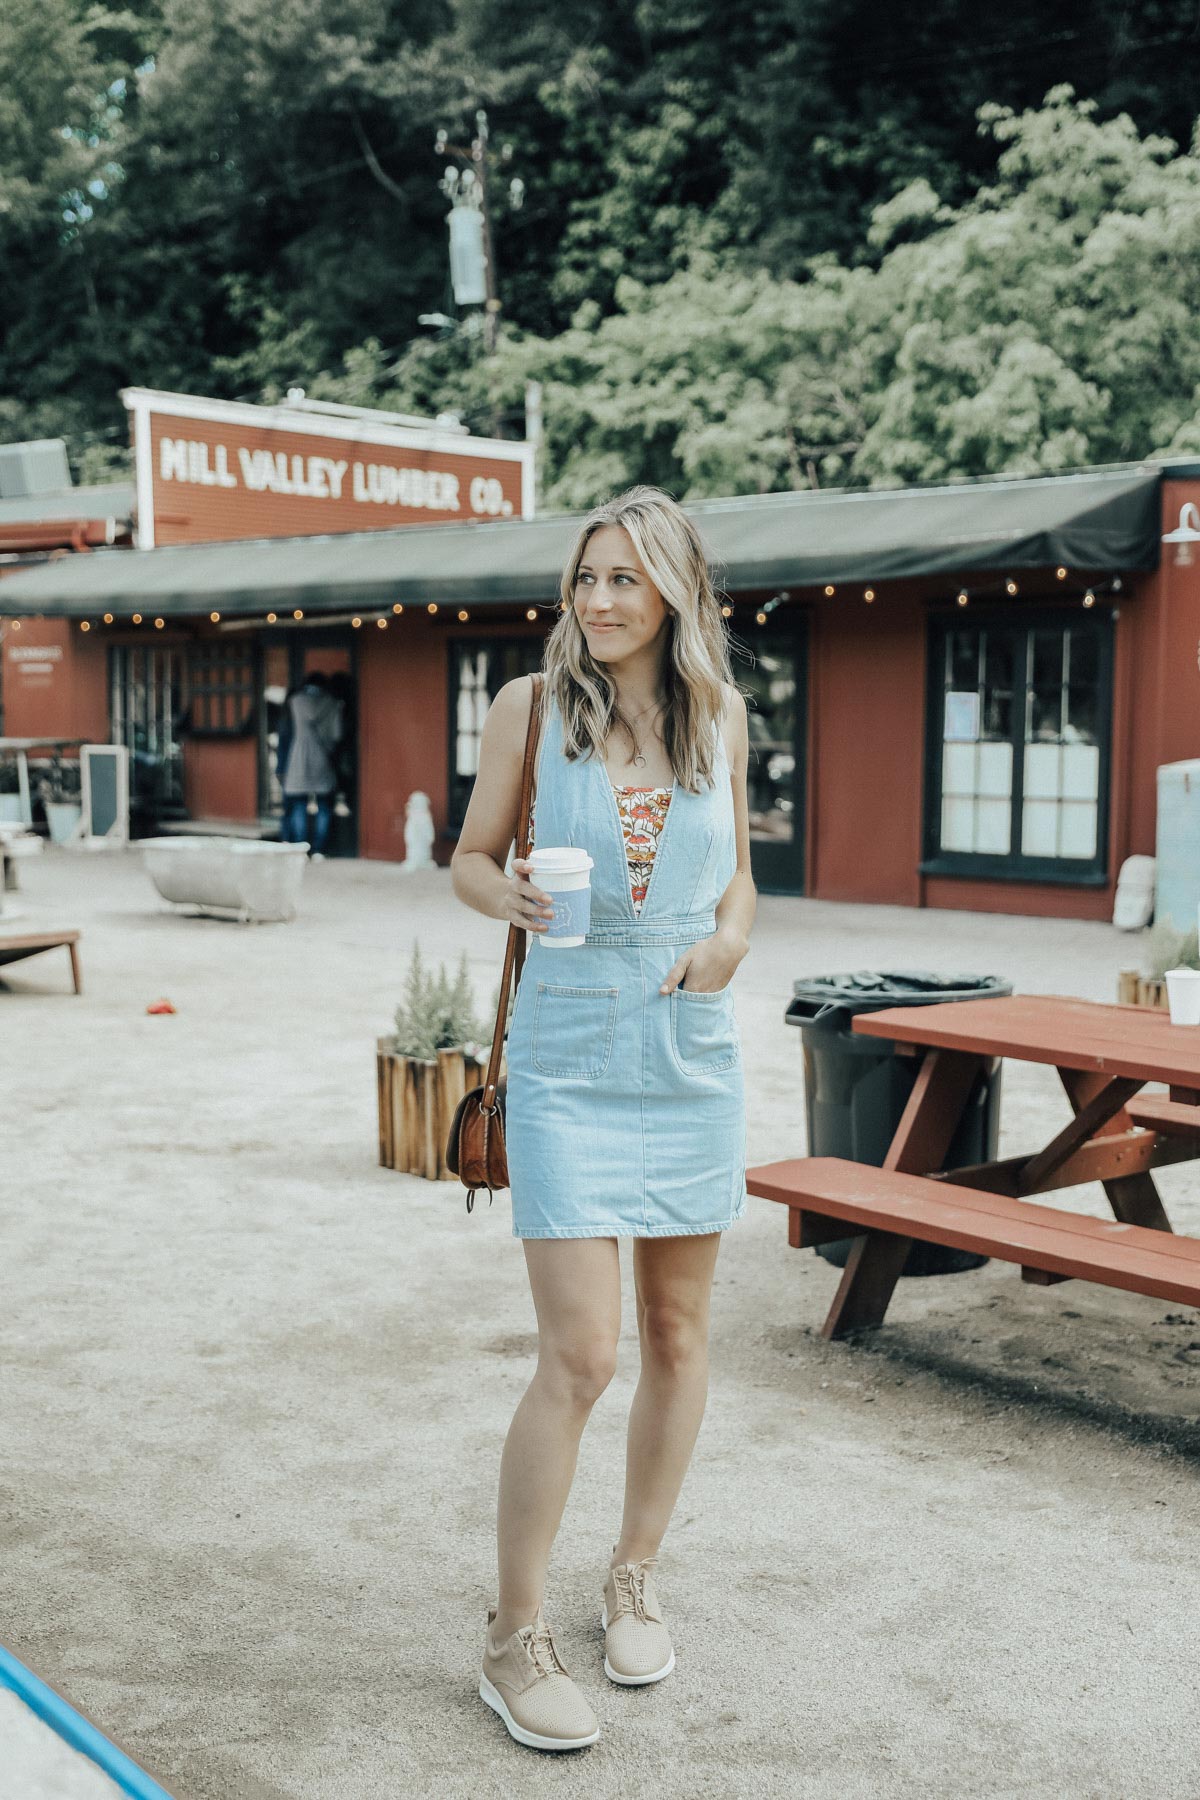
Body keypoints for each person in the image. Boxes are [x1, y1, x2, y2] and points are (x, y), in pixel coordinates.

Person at [451, 486, 755, 1752]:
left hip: (688, 1045)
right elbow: (467, 858)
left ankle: (631, 1573)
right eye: (586, 577)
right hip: (569, 1046)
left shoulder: (721, 715)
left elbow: (738, 880)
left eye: (624, 578)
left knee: (680, 1333)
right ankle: (514, 1634)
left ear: (676, 590)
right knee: (582, 1356)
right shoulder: (530, 707)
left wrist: (730, 944)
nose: (599, 599)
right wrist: (504, 895)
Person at [277, 672, 343, 858]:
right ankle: (319, 849)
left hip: (298, 758)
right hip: (322, 759)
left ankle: (300, 848)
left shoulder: (295, 701)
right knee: (324, 807)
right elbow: (337, 734)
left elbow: (285, 732)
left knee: (298, 806)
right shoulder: (331, 703)